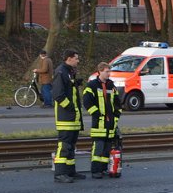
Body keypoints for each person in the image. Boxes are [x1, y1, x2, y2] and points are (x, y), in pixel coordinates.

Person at [82, 62, 122, 179]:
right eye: (106, 71)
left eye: (109, 71)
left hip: (110, 123)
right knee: (98, 147)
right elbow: (86, 101)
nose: (109, 73)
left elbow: (117, 103)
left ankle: (103, 169)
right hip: (99, 122)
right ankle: (95, 170)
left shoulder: (111, 86)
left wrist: (116, 115)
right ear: (99, 71)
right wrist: (96, 113)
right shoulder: (92, 85)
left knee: (107, 148)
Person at [52, 49, 85, 183]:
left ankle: (70, 171)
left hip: (73, 118)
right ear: (69, 58)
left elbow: (68, 89)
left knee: (71, 146)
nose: (78, 60)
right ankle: (59, 174)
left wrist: (76, 84)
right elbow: (58, 95)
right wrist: (70, 107)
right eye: (76, 58)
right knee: (64, 145)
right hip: (66, 117)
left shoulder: (69, 72)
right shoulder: (61, 72)